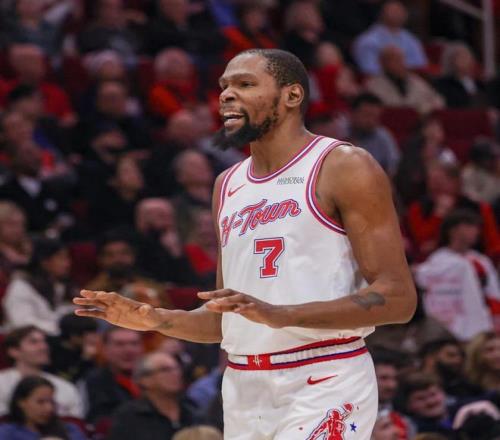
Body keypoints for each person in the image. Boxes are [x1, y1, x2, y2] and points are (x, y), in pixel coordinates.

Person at [74, 48, 417, 439]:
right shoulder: (228, 184)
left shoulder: (342, 165)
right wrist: (155, 319)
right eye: (224, 86)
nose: (226, 95)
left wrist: (282, 314)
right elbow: (225, 320)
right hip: (243, 385)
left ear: (292, 95)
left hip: (325, 374)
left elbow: (398, 298)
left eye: (245, 84)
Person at [414, 210, 500, 340]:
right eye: (470, 226)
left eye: (476, 227)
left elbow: (493, 293)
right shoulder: (438, 260)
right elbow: (424, 282)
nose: (476, 231)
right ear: (453, 230)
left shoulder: (481, 261)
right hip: (447, 325)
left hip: (480, 324)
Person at [107, 352, 197, 440]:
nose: (176, 374)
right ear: (145, 380)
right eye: (165, 370)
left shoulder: (192, 409)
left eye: (177, 368)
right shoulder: (129, 417)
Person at [0, 326, 83, 418]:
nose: (43, 347)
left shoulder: (65, 387)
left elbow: (75, 422)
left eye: (44, 342)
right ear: (14, 351)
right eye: (34, 342)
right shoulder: (2, 383)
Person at [3, 238, 77, 335]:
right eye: (61, 258)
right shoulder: (20, 287)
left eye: (67, 258)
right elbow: (22, 324)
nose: (67, 264)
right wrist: (61, 328)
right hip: (25, 340)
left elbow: (57, 314)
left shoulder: (60, 285)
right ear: (44, 261)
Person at [81, 326, 143, 424]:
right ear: (105, 349)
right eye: (119, 344)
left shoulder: (156, 379)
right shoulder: (95, 382)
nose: (129, 350)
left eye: (134, 343)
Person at [353, 0, 428, 75]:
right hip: (380, 78)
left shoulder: (411, 39)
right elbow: (368, 69)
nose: (397, 14)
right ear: (382, 14)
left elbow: (420, 65)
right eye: (393, 11)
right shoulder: (368, 40)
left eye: (399, 10)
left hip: (408, 77)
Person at [0, 376, 87, 440]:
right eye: (40, 402)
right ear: (21, 402)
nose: (49, 408)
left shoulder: (69, 430)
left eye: (51, 402)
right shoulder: (7, 433)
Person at [365, 46, 444, 115]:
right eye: (394, 59)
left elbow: (437, 100)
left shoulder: (416, 81)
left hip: (418, 121)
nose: (400, 63)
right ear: (382, 63)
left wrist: (424, 109)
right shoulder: (373, 85)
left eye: (400, 59)